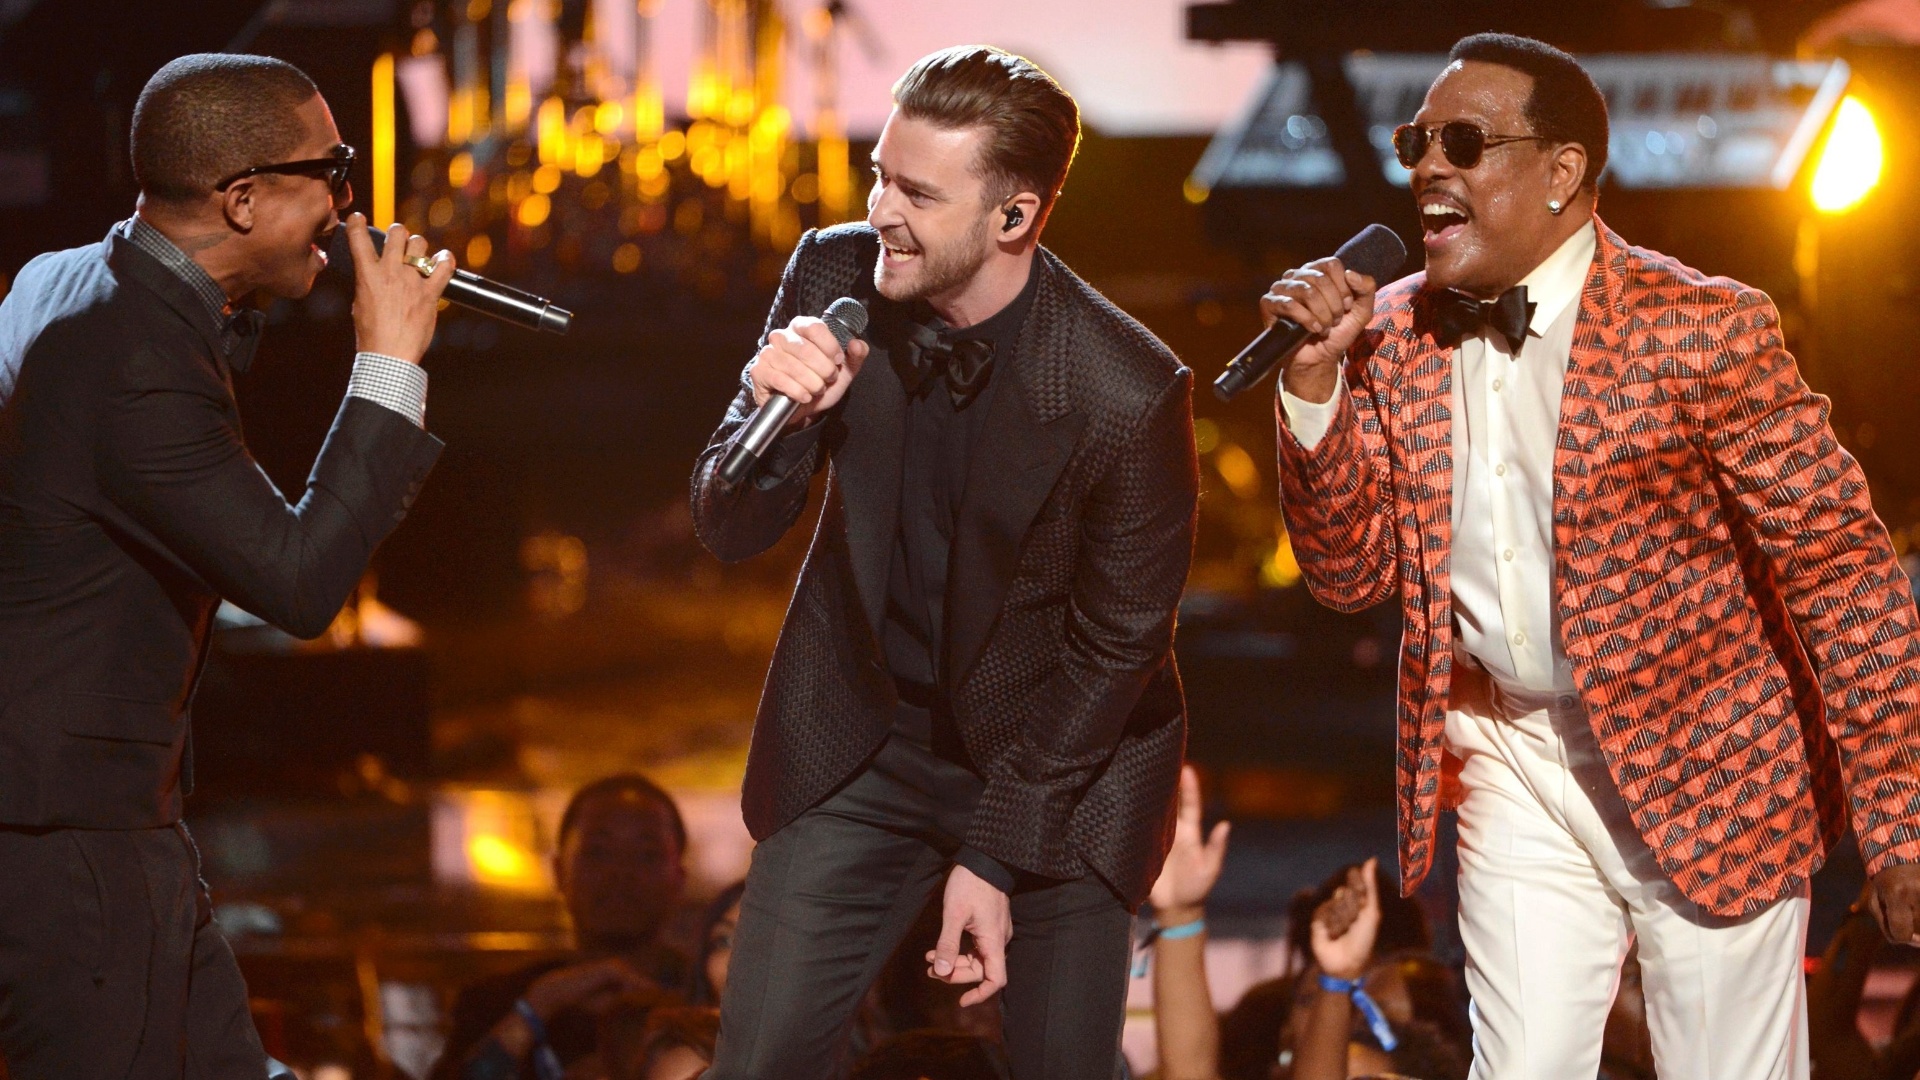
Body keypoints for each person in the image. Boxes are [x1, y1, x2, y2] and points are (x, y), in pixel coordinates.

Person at [1261, 30, 1920, 1080]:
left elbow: (1840, 570)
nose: (1429, 165)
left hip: (1711, 754)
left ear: (1563, 173)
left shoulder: (1704, 330)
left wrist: (1903, 822)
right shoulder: (1385, 338)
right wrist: (1309, 388)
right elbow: (1347, 578)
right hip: (1512, 754)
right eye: (1416, 141)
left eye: (1466, 142)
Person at [689, 43, 1199, 1079]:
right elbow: (726, 524)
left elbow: (1118, 649)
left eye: (917, 192)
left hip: (1062, 758)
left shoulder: (1125, 388)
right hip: (865, 738)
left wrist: (995, 850)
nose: (881, 209)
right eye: (880, 173)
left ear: (1014, 216)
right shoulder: (837, 275)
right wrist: (780, 421)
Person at [0, 53, 451, 1078]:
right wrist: (387, 365)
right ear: (243, 198)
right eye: (332, 172)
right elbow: (298, 582)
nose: (349, 208)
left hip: (114, 821)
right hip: (70, 838)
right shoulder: (134, 360)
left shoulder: (59, 280)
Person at [438, 775, 690, 1080]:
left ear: (678, 879)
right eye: (598, 852)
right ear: (559, 872)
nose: (621, 872)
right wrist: (532, 1013)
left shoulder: (721, 1003)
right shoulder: (494, 1006)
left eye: (647, 854)